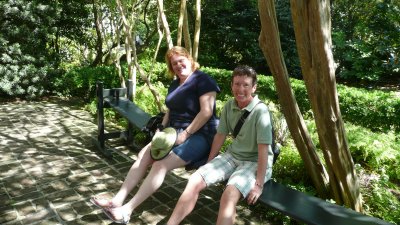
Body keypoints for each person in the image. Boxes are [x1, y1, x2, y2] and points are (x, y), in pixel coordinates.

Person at [90, 46, 220, 224]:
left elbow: (206, 112)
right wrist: (160, 129)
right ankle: (117, 201)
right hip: (172, 132)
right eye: (174, 63)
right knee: (144, 155)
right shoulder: (175, 83)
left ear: (189, 59)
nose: (178, 65)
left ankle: (126, 211)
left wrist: (186, 134)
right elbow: (170, 110)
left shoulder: (203, 80)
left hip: (200, 134)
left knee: (160, 165)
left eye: (181, 60)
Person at [166, 65, 274, 225]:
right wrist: (209, 163)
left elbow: (263, 150)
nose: (241, 89)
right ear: (231, 85)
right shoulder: (230, 105)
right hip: (233, 155)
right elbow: (220, 135)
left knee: (229, 195)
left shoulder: (261, 112)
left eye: (246, 85)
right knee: (195, 180)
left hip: (254, 162)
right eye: (237, 84)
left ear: (254, 87)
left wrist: (258, 185)